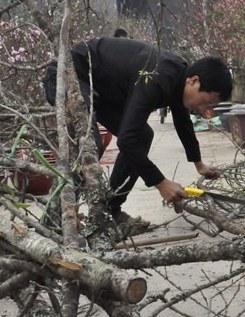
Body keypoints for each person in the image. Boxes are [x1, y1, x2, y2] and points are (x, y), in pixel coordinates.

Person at [42, 37, 232, 232]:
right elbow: (126, 141)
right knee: (89, 145)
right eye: (206, 101)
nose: (203, 109)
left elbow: (182, 121)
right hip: (67, 75)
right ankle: (55, 219)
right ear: (194, 81)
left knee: (142, 136)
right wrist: (160, 183)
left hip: (100, 89)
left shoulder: (178, 77)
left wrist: (198, 164)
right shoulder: (157, 78)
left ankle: (110, 212)